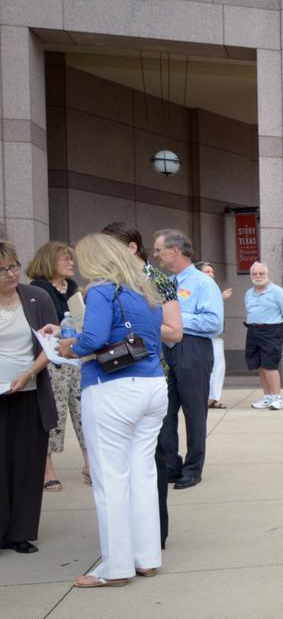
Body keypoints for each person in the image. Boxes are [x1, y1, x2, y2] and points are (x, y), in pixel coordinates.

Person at [56, 235, 167, 588]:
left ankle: (116, 566)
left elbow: (93, 339)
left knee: (111, 480)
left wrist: (68, 346)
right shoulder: (146, 292)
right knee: (142, 475)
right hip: (153, 385)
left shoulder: (103, 291)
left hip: (112, 389)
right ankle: (146, 558)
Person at [100, 222, 183, 548]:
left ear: (132, 247)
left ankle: (154, 532)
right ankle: (128, 531)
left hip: (148, 374)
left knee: (153, 457)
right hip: (113, 376)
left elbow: (175, 331)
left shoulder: (158, 280)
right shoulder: (110, 282)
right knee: (122, 460)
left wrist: (134, 327)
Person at [0, 238, 58, 555]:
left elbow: (49, 347)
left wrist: (28, 374)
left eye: (14, 266)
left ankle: (20, 532)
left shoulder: (36, 297)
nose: (11, 274)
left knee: (26, 464)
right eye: (2, 270)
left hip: (29, 390)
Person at [153, 230, 222, 488]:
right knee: (165, 412)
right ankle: (171, 465)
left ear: (175, 251)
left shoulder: (203, 283)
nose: (156, 254)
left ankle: (193, 468)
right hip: (167, 351)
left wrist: (176, 320)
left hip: (193, 350)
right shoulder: (166, 283)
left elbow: (214, 322)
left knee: (194, 413)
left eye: (159, 249)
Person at [26, 241, 89, 490]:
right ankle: (46, 470)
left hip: (76, 358)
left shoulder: (73, 288)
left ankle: (89, 465)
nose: (72, 263)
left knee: (84, 413)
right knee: (55, 415)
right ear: (50, 261)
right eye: (66, 259)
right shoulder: (37, 290)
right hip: (51, 362)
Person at [243, 262, 283, 410]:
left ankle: (277, 398)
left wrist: (279, 331)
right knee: (259, 365)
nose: (258, 276)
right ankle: (267, 397)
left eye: (261, 273)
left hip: (271, 332)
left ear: (267, 275)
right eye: (254, 274)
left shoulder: (278, 292)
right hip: (253, 331)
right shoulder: (249, 293)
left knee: (270, 366)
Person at [196, 261, 234, 409]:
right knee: (203, 366)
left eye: (212, 272)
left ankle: (214, 397)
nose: (211, 274)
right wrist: (220, 297)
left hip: (216, 334)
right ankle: (202, 397)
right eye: (208, 271)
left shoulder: (213, 288)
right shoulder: (196, 287)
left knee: (218, 365)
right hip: (200, 333)